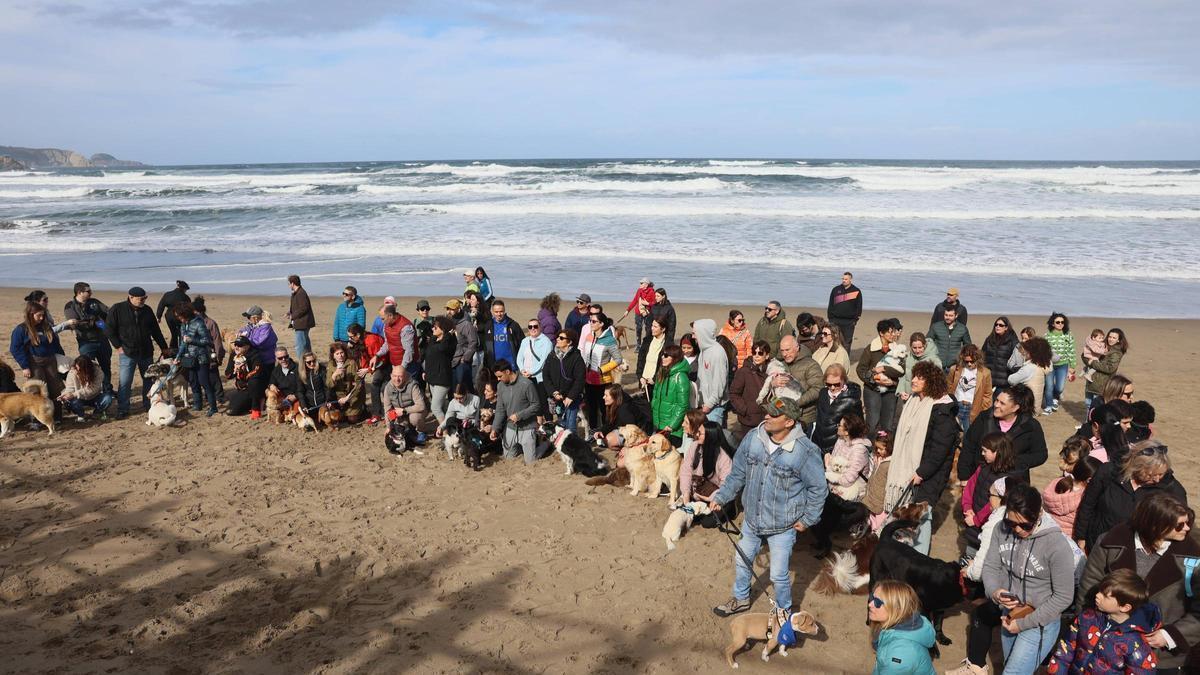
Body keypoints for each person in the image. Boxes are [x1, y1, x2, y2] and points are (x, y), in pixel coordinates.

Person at [710, 397, 828, 618]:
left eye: (774, 415)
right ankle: (741, 598)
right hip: (752, 519)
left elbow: (818, 488)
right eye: (767, 412)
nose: (766, 417)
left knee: (778, 575)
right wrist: (723, 495)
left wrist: (809, 519)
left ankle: (782, 612)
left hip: (783, 525)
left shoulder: (805, 451)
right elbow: (738, 473)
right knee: (742, 560)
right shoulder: (754, 437)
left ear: (789, 422)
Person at [1075, 493, 1200, 672]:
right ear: (1156, 526)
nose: (1188, 528)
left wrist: (1169, 635)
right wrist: (1088, 631)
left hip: (1161, 655)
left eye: (1188, 522)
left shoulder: (1193, 555)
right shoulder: (1110, 543)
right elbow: (1089, 589)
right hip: (1107, 649)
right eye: (1180, 524)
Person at [979, 483, 1076, 675]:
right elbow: (991, 566)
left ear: (1039, 515)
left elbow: (1064, 597)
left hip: (1040, 621)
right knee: (1011, 667)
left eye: (1025, 525)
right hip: (1010, 614)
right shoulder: (1001, 529)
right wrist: (995, 591)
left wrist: (1023, 624)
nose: (1017, 530)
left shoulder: (1056, 545)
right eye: (1011, 523)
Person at [884, 360, 958, 554]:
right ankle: (903, 549)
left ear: (931, 381)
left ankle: (920, 553)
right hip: (911, 469)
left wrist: (922, 472)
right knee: (908, 513)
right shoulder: (914, 401)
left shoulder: (942, 411)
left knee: (923, 514)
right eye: (914, 376)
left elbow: (939, 449)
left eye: (920, 377)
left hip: (929, 473)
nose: (914, 380)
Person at [1075, 440, 1187, 553]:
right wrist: (1081, 537)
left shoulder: (1169, 488)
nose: (1157, 479)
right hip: (1097, 542)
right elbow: (1087, 504)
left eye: (1161, 474)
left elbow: (1180, 519)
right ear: (1137, 466)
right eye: (1151, 474)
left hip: (1135, 552)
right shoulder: (1109, 472)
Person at [1051, 569, 1160, 674]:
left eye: (1104, 595)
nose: (1097, 595)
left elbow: (1142, 671)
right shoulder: (1086, 618)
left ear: (1124, 607)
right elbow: (1066, 650)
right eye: (1099, 590)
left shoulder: (1135, 642)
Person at [958, 384, 1048, 485]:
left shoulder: (1030, 426)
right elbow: (969, 447)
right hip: (982, 480)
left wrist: (1012, 461)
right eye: (996, 400)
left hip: (1013, 483)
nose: (996, 405)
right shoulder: (985, 418)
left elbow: (1041, 455)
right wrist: (964, 477)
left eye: (1002, 403)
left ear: (1015, 408)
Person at [811, 413, 872, 556]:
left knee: (827, 517)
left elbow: (848, 479)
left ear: (847, 431)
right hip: (834, 486)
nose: (837, 427)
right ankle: (823, 541)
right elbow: (833, 463)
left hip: (848, 493)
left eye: (840, 425)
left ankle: (827, 545)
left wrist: (828, 475)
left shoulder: (859, 450)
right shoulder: (840, 440)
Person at [105, 287, 168, 420]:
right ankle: (123, 409)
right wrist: (118, 347)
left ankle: (148, 404)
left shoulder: (147, 310)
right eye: (141, 299)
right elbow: (109, 329)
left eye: (145, 298)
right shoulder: (117, 309)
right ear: (131, 297)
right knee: (125, 382)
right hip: (127, 352)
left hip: (146, 351)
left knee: (149, 380)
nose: (143, 301)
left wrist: (164, 347)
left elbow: (156, 331)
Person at [9, 301, 68, 424]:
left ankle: (56, 417)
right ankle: (36, 420)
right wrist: (25, 366)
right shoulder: (21, 329)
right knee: (36, 390)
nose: (41, 318)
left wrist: (62, 359)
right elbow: (15, 348)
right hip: (34, 362)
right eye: (38, 315)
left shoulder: (46, 327)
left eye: (43, 315)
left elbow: (56, 345)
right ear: (31, 314)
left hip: (50, 361)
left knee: (55, 388)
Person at [867, 580, 937, 675]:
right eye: (872, 597)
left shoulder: (901, 653)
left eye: (877, 602)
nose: (870, 604)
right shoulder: (896, 627)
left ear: (897, 609)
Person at [368, 305, 418, 425]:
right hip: (395, 364)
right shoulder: (387, 325)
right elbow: (388, 343)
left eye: (383, 318)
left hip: (408, 366)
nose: (381, 321)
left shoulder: (406, 327)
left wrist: (402, 368)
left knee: (410, 394)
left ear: (390, 315)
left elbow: (409, 351)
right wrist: (377, 355)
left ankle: (414, 422)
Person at [677, 409, 736, 508]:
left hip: (716, 492)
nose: (696, 435)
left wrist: (711, 498)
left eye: (700, 433)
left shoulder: (722, 457)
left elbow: (726, 484)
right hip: (701, 488)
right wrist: (686, 494)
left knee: (707, 521)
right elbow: (686, 470)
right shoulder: (694, 445)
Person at [856, 318, 904, 436]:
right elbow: (860, 369)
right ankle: (871, 449)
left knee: (887, 425)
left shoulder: (898, 349)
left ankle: (885, 451)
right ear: (881, 333)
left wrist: (884, 369)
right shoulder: (871, 349)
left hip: (891, 390)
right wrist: (875, 379)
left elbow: (902, 370)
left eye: (893, 331)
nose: (893, 334)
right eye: (889, 332)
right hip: (872, 390)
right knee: (872, 423)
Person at [962, 433, 1017, 533]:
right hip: (972, 518)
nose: (982, 453)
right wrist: (967, 506)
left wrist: (976, 519)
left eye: (985, 451)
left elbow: (994, 504)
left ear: (997, 452)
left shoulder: (1007, 479)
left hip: (989, 526)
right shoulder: (982, 467)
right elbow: (970, 487)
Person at [63, 282, 112, 393]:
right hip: (86, 342)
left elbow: (108, 313)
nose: (91, 293)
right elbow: (74, 323)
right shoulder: (70, 306)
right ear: (80, 292)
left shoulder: (94, 302)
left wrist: (102, 322)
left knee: (106, 366)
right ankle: (89, 390)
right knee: (86, 367)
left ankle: (107, 389)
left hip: (102, 340)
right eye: (88, 291)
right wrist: (93, 322)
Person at [490, 360, 541, 464]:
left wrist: (519, 415)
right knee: (508, 458)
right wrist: (495, 428)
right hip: (510, 428)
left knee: (531, 461)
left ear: (507, 371)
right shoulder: (500, 386)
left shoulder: (527, 384)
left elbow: (536, 405)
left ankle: (544, 445)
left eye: (500, 376)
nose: (498, 379)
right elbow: (500, 409)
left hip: (528, 427)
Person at [1042, 452, 1100, 542]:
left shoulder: (1058, 483)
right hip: (1067, 542)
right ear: (1089, 480)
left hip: (1045, 533)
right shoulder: (1085, 497)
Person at [581, 312, 623, 430]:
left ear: (601, 324)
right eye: (590, 321)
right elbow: (584, 356)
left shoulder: (610, 340)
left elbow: (618, 359)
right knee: (591, 408)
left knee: (605, 409)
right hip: (588, 380)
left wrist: (602, 369)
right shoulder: (589, 336)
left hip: (603, 381)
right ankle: (593, 431)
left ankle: (606, 432)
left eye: (594, 321)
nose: (591, 323)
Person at [175, 302, 218, 417]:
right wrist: (178, 356)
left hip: (201, 358)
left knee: (204, 382)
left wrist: (192, 340)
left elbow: (207, 341)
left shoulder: (199, 323)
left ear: (185, 314)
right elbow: (183, 343)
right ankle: (197, 404)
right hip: (189, 358)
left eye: (180, 316)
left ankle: (213, 407)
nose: (179, 319)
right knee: (193, 382)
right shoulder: (183, 325)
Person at [773, 334, 823, 431]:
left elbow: (818, 389)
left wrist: (796, 403)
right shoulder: (779, 364)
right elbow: (772, 394)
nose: (784, 354)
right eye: (782, 350)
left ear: (797, 348)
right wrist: (773, 384)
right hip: (783, 417)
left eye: (787, 350)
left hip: (804, 419)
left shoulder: (811, 365)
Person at [812, 364, 863, 452]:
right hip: (818, 444)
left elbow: (858, 426)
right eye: (828, 384)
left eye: (836, 384)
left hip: (838, 446)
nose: (832, 387)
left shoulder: (852, 400)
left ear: (844, 380)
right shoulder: (823, 393)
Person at [237, 305, 277, 416]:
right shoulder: (253, 326)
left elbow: (258, 342)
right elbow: (244, 330)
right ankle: (258, 403)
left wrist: (246, 339)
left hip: (266, 360)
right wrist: (241, 334)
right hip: (257, 359)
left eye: (249, 317)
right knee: (257, 382)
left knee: (265, 382)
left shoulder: (265, 327)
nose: (248, 319)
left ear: (255, 317)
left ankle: (264, 404)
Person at [544, 329, 586, 433]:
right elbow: (546, 375)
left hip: (571, 398)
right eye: (558, 337)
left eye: (561, 338)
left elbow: (580, 379)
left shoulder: (576, 357)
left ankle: (574, 448)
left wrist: (571, 396)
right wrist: (553, 392)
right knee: (561, 424)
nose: (557, 339)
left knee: (570, 426)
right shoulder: (552, 355)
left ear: (569, 342)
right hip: (557, 397)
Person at [895, 332, 941, 422]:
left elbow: (937, 381)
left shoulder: (934, 360)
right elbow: (904, 376)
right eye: (914, 348)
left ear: (925, 345)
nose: (917, 350)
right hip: (908, 398)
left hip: (925, 399)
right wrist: (901, 391)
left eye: (920, 347)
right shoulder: (907, 357)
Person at [1083, 328, 1128, 419]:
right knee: (1088, 404)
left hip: (1102, 384)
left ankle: (1093, 425)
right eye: (1109, 337)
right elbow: (1084, 356)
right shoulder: (1100, 345)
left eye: (1114, 338)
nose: (1110, 339)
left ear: (1119, 340)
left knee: (1096, 407)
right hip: (1091, 381)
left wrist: (1092, 363)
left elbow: (1110, 369)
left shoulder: (1116, 353)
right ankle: (1087, 424)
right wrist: (1088, 358)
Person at [728, 340, 770, 436]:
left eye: (760, 353)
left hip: (767, 420)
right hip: (749, 421)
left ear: (767, 355)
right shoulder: (744, 372)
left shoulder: (771, 371)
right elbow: (733, 393)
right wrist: (745, 410)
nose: (756, 356)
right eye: (754, 352)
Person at [651, 345, 690, 447]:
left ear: (675, 358)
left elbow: (682, 405)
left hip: (672, 429)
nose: (663, 357)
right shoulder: (662, 372)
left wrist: (672, 425)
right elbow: (655, 396)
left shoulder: (680, 377)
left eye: (666, 355)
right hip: (659, 423)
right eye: (662, 355)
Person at [946, 344, 992, 432]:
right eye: (966, 361)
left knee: (969, 436)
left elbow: (988, 394)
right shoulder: (955, 369)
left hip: (973, 409)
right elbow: (948, 387)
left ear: (978, 359)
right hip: (956, 406)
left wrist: (982, 411)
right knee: (951, 433)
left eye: (972, 361)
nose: (969, 364)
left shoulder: (985, 373)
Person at [693, 319, 730, 424]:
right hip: (704, 404)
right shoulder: (704, 351)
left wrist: (709, 405)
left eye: (694, 333)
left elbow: (719, 384)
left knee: (713, 438)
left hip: (714, 407)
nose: (693, 336)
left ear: (703, 333)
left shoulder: (717, 353)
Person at [516, 316, 552, 420]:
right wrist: (522, 370)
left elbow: (544, 361)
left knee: (542, 403)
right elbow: (519, 357)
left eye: (535, 326)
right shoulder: (525, 341)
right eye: (530, 326)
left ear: (540, 327)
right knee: (528, 402)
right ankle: (535, 425)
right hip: (525, 376)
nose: (533, 329)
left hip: (539, 378)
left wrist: (531, 372)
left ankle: (548, 425)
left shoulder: (546, 342)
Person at [424, 316, 457, 428]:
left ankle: (445, 432)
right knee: (442, 406)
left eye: (436, 327)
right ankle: (452, 423)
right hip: (432, 378)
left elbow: (442, 349)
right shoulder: (434, 340)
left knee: (435, 408)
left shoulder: (449, 342)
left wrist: (447, 335)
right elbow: (429, 356)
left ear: (443, 329)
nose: (433, 329)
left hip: (442, 379)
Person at [595, 384, 650, 449]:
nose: (603, 397)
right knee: (604, 440)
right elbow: (610, 423)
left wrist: (626, 449)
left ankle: (625, 450)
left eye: (606, 395)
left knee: (609, 440)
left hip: (639, 431)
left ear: (614, 397)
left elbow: (632, 432)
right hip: (624, 429)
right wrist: (602, 431)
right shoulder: (613, 405)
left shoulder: (624, 410)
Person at [1042, 313, 1076, 415]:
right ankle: (1048, 406)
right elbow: (1043, 351)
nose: (1060, 324)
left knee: (1060, 387)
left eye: (1062, 322)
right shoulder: (1047, 335)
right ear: (1052, 324)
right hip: (1049, 365)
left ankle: (1055, 398)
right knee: (1049, 386)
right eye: (1058, 322)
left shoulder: (1068, 335)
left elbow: (1071, 350)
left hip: (1063, 365)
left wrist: (1072, 366)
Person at [192, 297, 224, 407]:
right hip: (201, 355)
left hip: (209, 355)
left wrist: (218, 357)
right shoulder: (202, 323)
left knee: (213, 377)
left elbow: (217, 341)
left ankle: (218, 398)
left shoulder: (209, 323)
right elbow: (217, 341)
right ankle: (212, 398)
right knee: (207, 378)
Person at [324, 341, 365, 423]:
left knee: (352, 420)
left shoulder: (352, 363)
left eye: (341, 353)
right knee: (339, 419)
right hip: (338, 398)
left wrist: (347, 397)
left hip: (352, 396)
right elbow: (328, 384)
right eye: (337, 354)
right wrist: (334, 375)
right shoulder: (330, 365)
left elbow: (359, 383)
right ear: (333, 356)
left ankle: (363, 410)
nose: (340, 356)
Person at [1007, 337, 1052, 413]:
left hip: (1027, 406)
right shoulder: (1041, 365)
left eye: (1027, 351)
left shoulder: (1029, 368)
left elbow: (1011, 380)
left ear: (1032, 353)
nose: (1025, 352)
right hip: (1035, 405)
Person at [382, 367, 428, 438]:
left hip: (416, 411)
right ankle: (408, 426)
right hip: (400, 414)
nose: (397, 379)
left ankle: (421, 431)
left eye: (400, 376)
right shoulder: (388, 388)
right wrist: (388, 427)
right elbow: (387, 409)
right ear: (391, 375)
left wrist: (404, 411)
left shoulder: (413, 385)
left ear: (405, 376)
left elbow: (421, 406)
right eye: (394, 376)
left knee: (414, 418)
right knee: (398, 428)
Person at [224, 337, 264, 417]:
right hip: (240, 388)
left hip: (252, 387)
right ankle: (247, 403)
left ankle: (256, 406)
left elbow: (257, 373)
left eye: (239, 345)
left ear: (247, 346)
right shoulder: (234, 355)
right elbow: (227, 374)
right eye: (235, 344)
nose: (236, 347)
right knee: (230, 409)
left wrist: (244, 371)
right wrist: (235, 371)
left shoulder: (255, 355)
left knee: (233, 411)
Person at [482, 298, 522, 376]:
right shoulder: (488, 326)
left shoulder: (513, 325)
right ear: (492, 312)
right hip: (495, 367)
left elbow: (522, 344)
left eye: (501, 311)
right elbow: (486, 348)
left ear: (504, 311)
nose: (499, 314)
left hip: (511, 367)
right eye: (496, 312)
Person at [446, 298, 479, 393]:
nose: (449, 311)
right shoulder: (449, 322)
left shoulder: (466, 324)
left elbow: (473, 342)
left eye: (451, 309)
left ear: (458, 309)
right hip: (452, 360)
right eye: (447, 309)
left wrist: (465, 358)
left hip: (462, 361)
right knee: (453, 388)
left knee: (464, 388)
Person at [981, 316, 1018, 393]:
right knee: (987, 404)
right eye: (996, 324)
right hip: (989, 379)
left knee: (1000, 404)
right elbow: (982, 355)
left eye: (1001, 325)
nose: (997, 326)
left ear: (1006, 328)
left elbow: (1016, 361)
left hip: (1004, 382)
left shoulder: (1012, 341)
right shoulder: (989, 339)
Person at [827, 272, 863, 350]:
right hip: (835, 320)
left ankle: (845, 360)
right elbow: (830, 305)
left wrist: (855, 320)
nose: (844, 280)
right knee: (834, 340)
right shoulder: (836, 290)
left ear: (851, 280)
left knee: (847, 342)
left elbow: (859, 307)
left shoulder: (856, 291)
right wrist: (830, 318)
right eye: (843, 279)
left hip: (849, 322)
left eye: (846, 279)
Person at [636, 316, 669, 399]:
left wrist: (654, 379)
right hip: (644, 381)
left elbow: (665, 365)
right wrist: (640, 376)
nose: (652, 329)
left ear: (663, 329)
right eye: (652, 326)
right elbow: (640, 360)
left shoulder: (668, 345)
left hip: (657, 383)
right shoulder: (647, 340)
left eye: (655, 326)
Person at [618, 277, 657, 344]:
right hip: (638, 313)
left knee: (648, 329)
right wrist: (628, 310)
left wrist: (647, 303)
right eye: (640, 283)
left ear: (646, 284)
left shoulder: (652, 292)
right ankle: (638, 344)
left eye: (641, 283)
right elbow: (635, 300)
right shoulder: (639, 290)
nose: (640, 284)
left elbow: (655, 303)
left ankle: (647, 343)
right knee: (638, 328)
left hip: (648, 313)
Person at [155, 280, 191, 350]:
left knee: (174, 333)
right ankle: (181, 347)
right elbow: (189, 309)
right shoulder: (186, 297)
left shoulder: (167, 294)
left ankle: (173, 347)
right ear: (184, 289)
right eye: (186, 290)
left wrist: (158, 316)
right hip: (180, 317)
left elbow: (161, 305)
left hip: (169, 317)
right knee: (181, 333)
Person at [286, 275, 315, 356]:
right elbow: (299, 307)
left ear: (292, 283)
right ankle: (308, 360)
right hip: (302, 322)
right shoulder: (297, 292)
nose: (288, 286)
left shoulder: (301, 293)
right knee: (305, 344)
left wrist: (293, 316)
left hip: (302, 323)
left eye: (289, 284)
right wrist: (290, 312)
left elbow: (304, 308)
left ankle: (302, 364)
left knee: (300, 346)